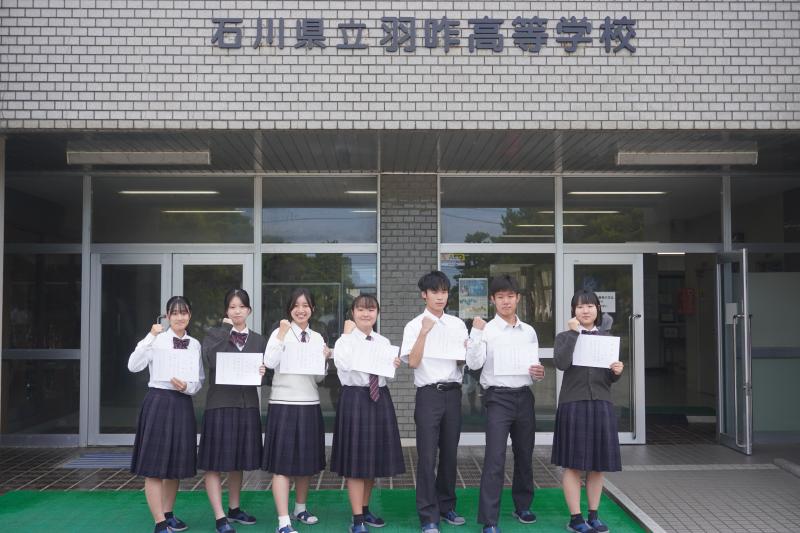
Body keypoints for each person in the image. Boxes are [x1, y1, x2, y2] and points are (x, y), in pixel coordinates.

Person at [466, 275, 545, 533]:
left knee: (524, 454)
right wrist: (476, 334)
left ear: (518, 298)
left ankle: (523, 505)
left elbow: (534, 368)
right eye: (500, 297)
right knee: (495, 458)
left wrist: (538, 372)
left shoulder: (529, 331)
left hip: (524, 396)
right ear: (492, 300)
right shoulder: (486, 330)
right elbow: (474, 364)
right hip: (498, 398)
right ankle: (489, 520)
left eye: (510, 296)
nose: (506, 301)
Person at [128, 296, 204, 533]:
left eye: (184, 312)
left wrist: (187, 387)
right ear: (167, 316)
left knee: (175, 464)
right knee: (154, 466)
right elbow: (133, 365)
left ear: (190, 315)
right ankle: (159, 522)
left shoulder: (194, 344)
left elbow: (199, 380)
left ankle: (168, 514)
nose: (180, 317)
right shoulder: (157, 340)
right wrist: (150, 336)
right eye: (175, 313)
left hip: (182, 403)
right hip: (158, 402)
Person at [331, 293, 405, 533]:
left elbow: (386, 377)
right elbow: (344, 364)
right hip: (355, 399)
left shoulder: (383, 342)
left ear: (377, 313)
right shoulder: (345, 341)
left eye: (371, 309)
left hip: (379, 399)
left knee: (372, 459)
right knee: (356, 462)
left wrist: (393, 365)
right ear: (353, 313)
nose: (366, 314)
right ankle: (357, 520)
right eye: (361, 309)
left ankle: (365, 509)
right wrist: (348, 335)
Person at [552, 289, 625, 533]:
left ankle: (594, 515)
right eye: (580, 306)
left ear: (598, 309)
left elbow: (608, 377)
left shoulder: (606, 338)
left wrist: (616, 371)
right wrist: (575, 333)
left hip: (601, 403)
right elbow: (561, 363)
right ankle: (576, 518)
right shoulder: (564, 336)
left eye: (590, 306)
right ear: (573, 310)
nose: (586, 310)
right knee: (572, 464)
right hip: (573, 404)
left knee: (598, 465)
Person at [401, 270, 468, 533]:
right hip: (429, 394)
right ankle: (428, 515)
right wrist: (424, 333)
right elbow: (413, 362)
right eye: (435, 292)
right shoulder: (414, 325)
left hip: (453, 393)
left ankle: (446, 506)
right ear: (424, 295)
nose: (440, 297)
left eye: (444, 292)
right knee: (427, 456)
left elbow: (463, 360)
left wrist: (471, 348)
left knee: (450, 454)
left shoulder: (457, 324)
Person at [261, 288, 331, 533]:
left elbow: (319, 378)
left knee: (306, 462)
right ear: (289, 309)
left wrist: (325, 359)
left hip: (309, 404)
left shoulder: (317, 337)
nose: (301, 310)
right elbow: (269, 362)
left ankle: (300, 508)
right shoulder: (279, 333)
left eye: (306, 305)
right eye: (296, 305)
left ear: (312, 309)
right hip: (283, 404)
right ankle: (283, 521)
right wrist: (281, 334)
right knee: (281, 465)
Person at [198, 289, 267, 533]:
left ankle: (234, 509)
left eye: (241, 307)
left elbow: (268, 373)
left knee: (238, 461)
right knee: (214, 463)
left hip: (247, 406)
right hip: (219, 405)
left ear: (249, 310)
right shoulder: (214, 335)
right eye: (232, 307)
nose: (237, 311)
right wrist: (224, 330)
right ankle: (220, 517)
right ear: (226, 311)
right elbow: (210, 359)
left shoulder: (259, 340)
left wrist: (263, 372)